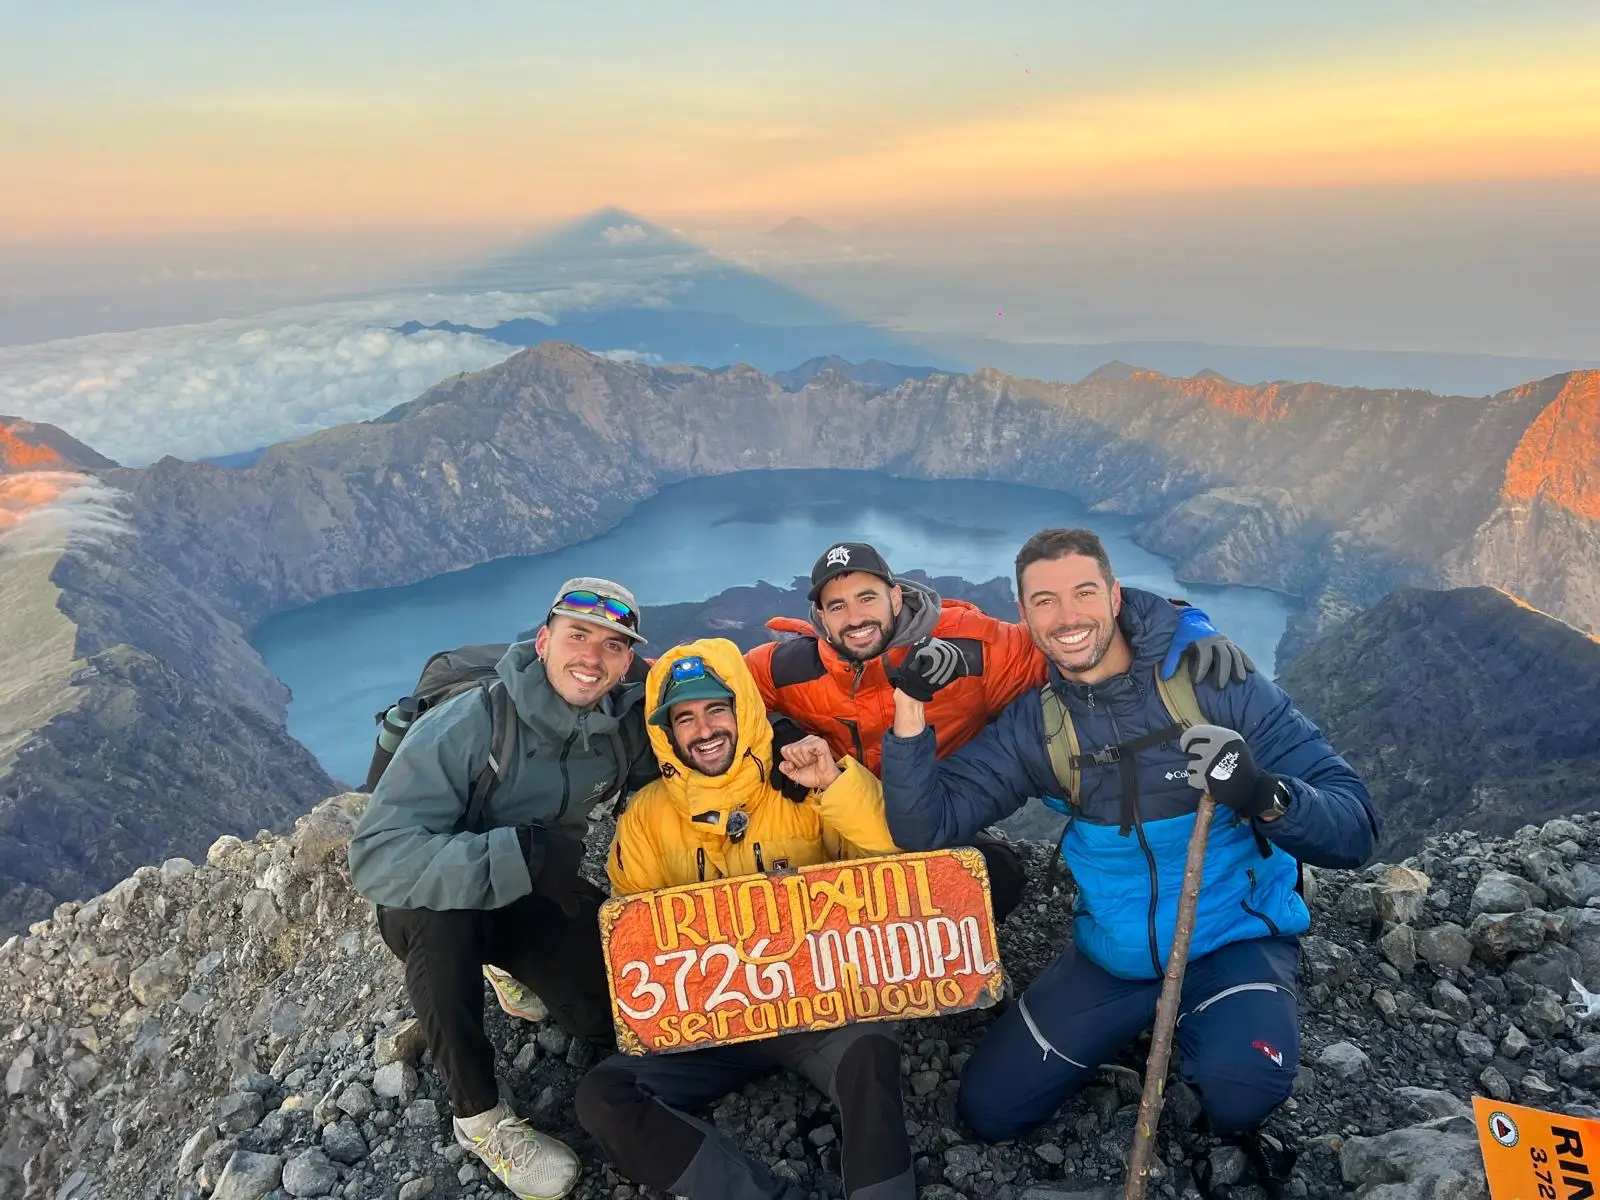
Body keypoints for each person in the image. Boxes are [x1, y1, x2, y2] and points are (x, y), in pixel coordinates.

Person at [877, 528, 1378, 1156]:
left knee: (1240, 1093)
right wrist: (910, 705)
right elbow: (924, 827)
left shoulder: (1215, 682)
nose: (1067, 617)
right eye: (1045, 601)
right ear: (1025, 614)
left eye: (1084, 592)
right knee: (991, 1110)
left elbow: (1355, 828)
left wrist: (1260, 794)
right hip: (1116, 957)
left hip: (1231, 938)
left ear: (1115, 596)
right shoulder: (1039, 727)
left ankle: (1212, 1027)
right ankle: (1153, 1025)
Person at [746, 540, 1255, 923]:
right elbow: (720, 689)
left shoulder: (974, 647)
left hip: (933, 811)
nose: (855, 617)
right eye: (837, 607)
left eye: (867, 598)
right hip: (833, 818)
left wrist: (1184, 622)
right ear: (819, 616)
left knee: (997, 879)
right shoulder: (787, 667)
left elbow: (1074, 634)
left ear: (896, 596)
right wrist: (781, 729)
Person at [348, 578, 658, 1200]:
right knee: (444, 926)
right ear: (543, 642)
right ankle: (480, 1117)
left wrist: (784, 741)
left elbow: (706, 736)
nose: (592, 658)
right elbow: (376, 857)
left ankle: (503, 963)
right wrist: (518, 854)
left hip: (532, 889)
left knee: (613, 1018)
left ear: (628, 662)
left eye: (612, 645)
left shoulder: (622, 728)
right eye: (577, 636)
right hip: (432, 897)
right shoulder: (474, 722)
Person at [576, 638, 913, 1200]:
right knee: (604, 1097)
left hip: (818, 1008)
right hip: (707, 1026)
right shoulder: (646, 817)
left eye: (717, 709)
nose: (704, 729)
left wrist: (835, 787)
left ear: (745, 711)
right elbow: (635, 937)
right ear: (667, 733)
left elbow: (897, 869)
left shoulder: (806, 779)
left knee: (871, 1052)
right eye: (684, 718)